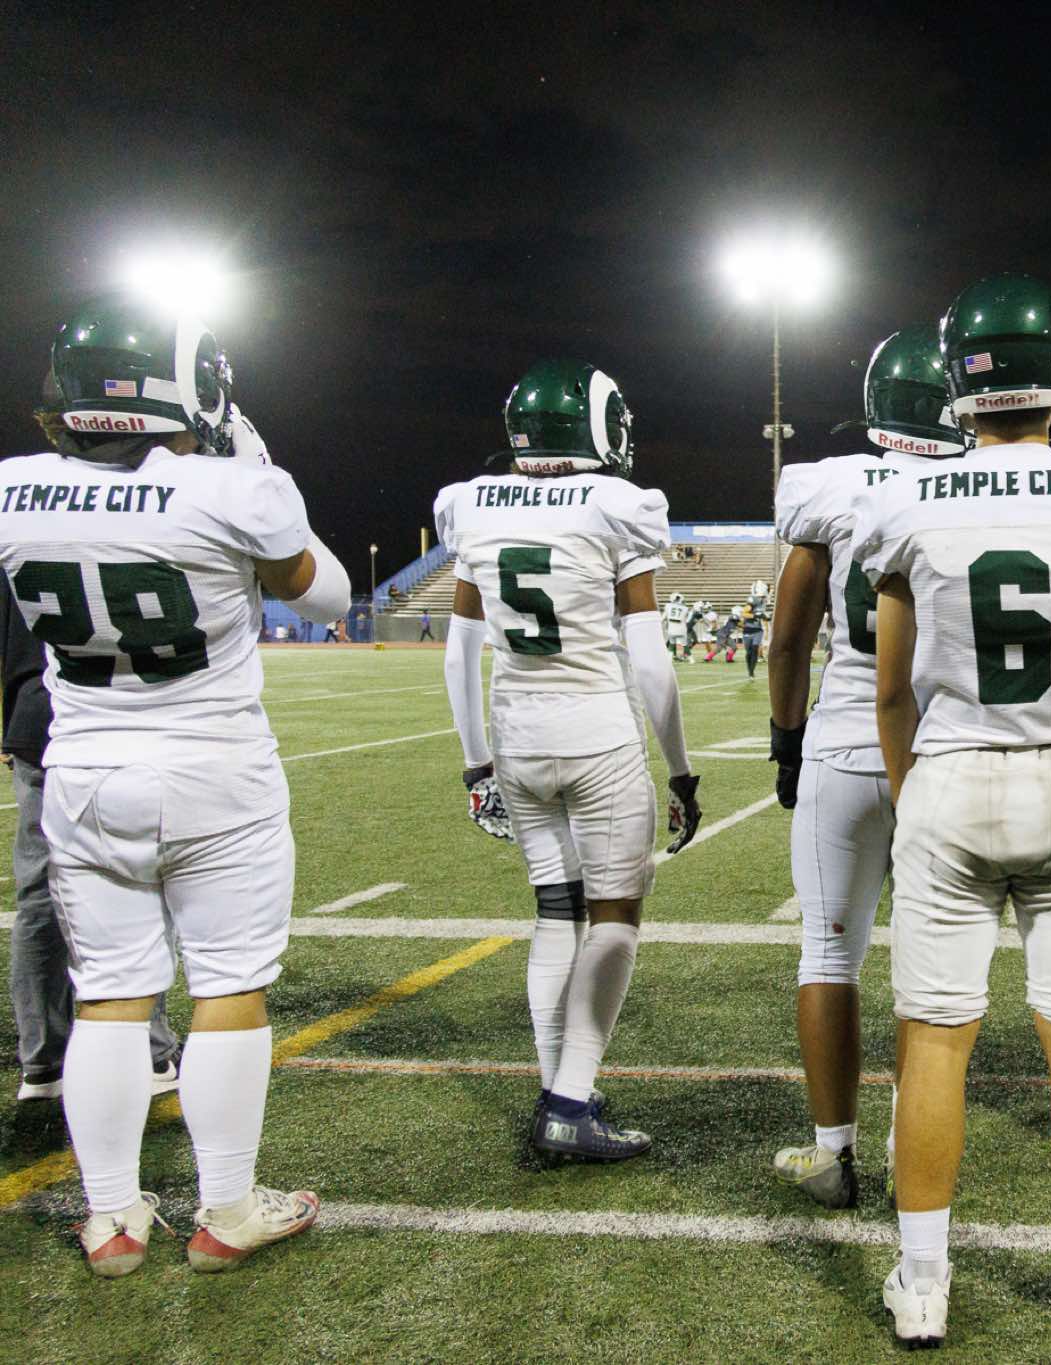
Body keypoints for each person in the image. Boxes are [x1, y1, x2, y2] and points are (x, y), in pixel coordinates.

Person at [0, 296, 353, 1275]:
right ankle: (227, 1209)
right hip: (214, 773)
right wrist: (246, 460)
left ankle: (111, 1220)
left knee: (110, 996)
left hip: (82, 773)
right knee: (229, 987)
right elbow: (325, 594)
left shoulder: (13, 489)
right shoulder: (234, 489)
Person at [852, 274, 1051, 1345]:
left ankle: (922, 1281)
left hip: (948, 773)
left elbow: (889, 692)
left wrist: (915, 800)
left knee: (936, 1041)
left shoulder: (905, 503)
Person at [436, 358, 703, 1164]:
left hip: (517, 740)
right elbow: (650, 661)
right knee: (615, 912)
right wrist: (680, 767)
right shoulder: (618, 506)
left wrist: (476, 764)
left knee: (557, 912)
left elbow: (459, 653)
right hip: (596, 737)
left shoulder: (470, 503)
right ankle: (568, 1102)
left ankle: (561, 1086)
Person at [766, 324, 962, 1209]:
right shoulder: (975, 485)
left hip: (844, 744)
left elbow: (788, 639)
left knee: (828, 951)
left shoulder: (831, 486)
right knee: (928, 968)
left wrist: (785, 737)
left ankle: (831, 1152)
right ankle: (909, 1149)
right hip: (939, 749)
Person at [5, 570, 180, 1103]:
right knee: (135, 881)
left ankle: (43, 1063)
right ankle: (149, 1051)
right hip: (108, 717)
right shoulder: (111, 531)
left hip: (36, 720)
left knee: (40, 894)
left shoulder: (18, 533)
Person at [741, 602, 765, 678]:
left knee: (755, 649)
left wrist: (766, 617)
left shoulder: (760, 609)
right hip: (747, 632)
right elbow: (743, 615)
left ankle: (751, 671)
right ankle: (749, 670)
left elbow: (765, 618)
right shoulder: (748, 608)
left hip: (757, 631)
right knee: (749, 652)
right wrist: (754, 616)